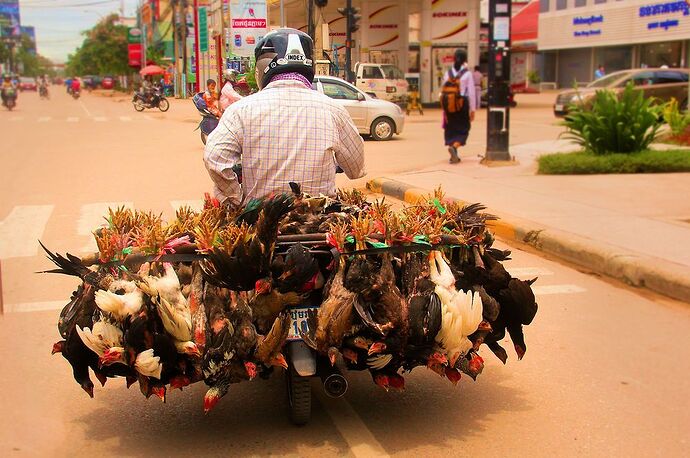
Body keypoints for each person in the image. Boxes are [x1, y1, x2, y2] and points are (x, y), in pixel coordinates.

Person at [204, 27, 365, 207]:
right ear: (309, 65)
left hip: (261, 222)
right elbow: (356, 168)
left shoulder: (241, 110)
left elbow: (214, 159)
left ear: (261, 67)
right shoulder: (334, 110)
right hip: (321, 221)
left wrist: (236, 198)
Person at [441, 49, 476, 164]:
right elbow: (471, 93)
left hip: (449, 104)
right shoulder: (467, 74)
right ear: (465, 59)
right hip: (462, 104)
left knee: (451, 128)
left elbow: (443, 91)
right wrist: (473, 109)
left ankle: (453, 155)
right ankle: (455, 147)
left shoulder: (448, 73)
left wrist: (444, 108)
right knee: (464, 129)